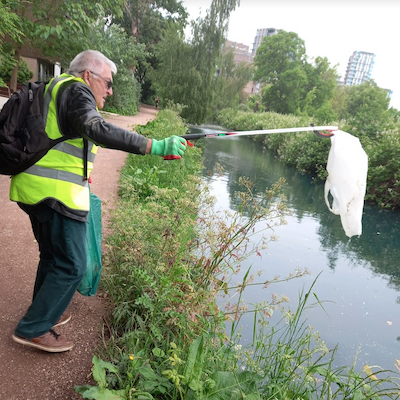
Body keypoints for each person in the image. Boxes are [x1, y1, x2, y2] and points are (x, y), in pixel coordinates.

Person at [9, 50, 187, 353]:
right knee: (72, 265)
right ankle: (34, 328)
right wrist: (153, 145)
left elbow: (62, 138)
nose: (110, 89)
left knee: (52, 257)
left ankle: (46, 310)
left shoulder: (55, 87)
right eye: (107, 82)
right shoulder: (78, 90)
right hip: (56, 195)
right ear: (88, 75)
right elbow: (97, 129)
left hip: (32, 188)